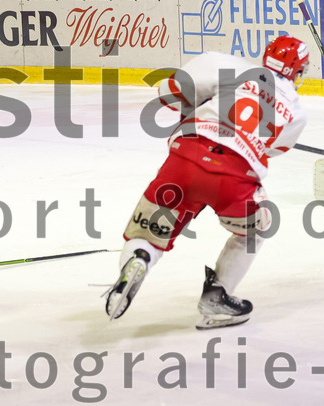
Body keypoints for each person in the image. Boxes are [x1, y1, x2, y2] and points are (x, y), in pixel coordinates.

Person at [105, 36, 310, 329]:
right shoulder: (297, 113)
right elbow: (271, 149)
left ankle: (138, 259)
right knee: (255, 231)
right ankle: (217, 295)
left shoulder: (227, 66)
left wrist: (201, 105)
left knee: (151, 232)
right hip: (234, 175)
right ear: (298, 72)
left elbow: (169, 90)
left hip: (185, 157)